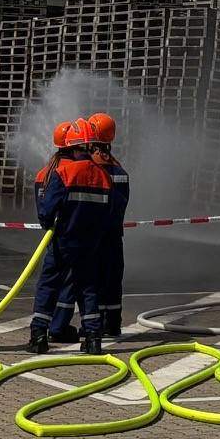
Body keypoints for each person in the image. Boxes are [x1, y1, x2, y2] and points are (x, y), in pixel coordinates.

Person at [29, 119, 111, 355]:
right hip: (91, 244)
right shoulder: (103, 175)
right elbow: (108, 212)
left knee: (48, 286)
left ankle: (39, 336)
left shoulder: (63, 172)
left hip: (63, 241)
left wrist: (49, 224)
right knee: (88, 289)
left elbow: (47, 210)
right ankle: (93, 338)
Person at [88, 112, 130, 338]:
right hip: (114, 234)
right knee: (113, 280)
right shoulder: (118, 168)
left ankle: (92, 325)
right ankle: (112, 324)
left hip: (93, 235)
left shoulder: (91, 167)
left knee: (92, 280)